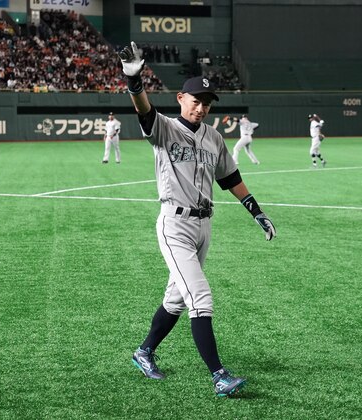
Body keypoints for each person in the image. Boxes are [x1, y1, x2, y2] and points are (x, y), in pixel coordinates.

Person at [118, 41, 276, 397]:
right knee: (200, 297)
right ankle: (219, 375)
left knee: (176, 299)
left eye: (207, 103)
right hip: (174, 225)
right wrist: (134, 79)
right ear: (180, 99)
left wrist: (256, 211)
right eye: (196, 101)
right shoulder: (163, 130)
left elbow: (230, 179)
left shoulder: (214, 137)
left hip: (204, 226)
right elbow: (144, 111)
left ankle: (144, 352)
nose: (202, 108)